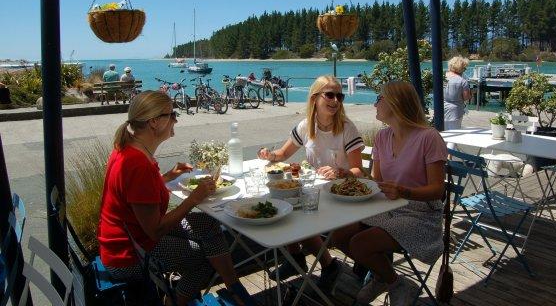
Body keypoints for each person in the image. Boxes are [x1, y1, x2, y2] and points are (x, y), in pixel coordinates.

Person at [98, 91, 255, 306]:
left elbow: (135, 194)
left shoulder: (129, 149)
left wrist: (169, 176)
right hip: (129, 254)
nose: (176, 119)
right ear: (154, 122)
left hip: (132, 236)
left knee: (208, 223)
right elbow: (155, 230)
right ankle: (174, 302)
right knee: (202, 259)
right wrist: (194, 199)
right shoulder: (138, 164)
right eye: (172, 114)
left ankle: (233, 286)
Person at [331, 81, 447, 305]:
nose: (375, 104)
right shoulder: (382, 137)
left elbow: (437, 189)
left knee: (360, 244)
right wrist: (351, 175)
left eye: (379, 99)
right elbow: (377, 181)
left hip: (421, 214)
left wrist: (406, 192)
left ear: (395, 103)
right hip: (387, 207)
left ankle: (393, 281)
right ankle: (383, 276)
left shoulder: (429, 138)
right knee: (339, 234)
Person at [257, 75, 365, 291]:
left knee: (294, 213)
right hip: (316, 191)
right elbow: (283, 153)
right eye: (330, 95)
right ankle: (296, 258)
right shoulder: (307, 125)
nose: (335, 101)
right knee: (284, 206)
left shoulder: (346, 128)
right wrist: (270, 155)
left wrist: (340, 172)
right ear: (315, 98)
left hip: (340, 194)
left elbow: (359, 171)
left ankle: (325, 264)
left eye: (339, 96)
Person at [443, 56, 471, 130]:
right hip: (455, 112)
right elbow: (466, 97)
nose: (464, 70)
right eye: (464, 68)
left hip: (442, 109)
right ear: (460, 68)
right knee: (455, 134)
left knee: (443, 134)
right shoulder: (462, 81)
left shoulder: (442, 77)